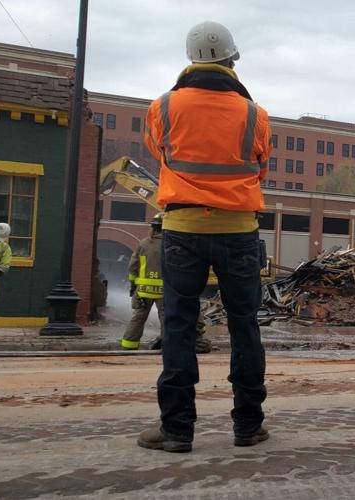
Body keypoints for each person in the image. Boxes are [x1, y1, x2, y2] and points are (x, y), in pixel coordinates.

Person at [136, 21, 271, 453]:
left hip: (182, 230)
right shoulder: (255, 114)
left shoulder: (163, 107)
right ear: (233, 59)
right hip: (238, 231)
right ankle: (248, 425)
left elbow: (161, 152)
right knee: (243, 325)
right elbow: (259, 166)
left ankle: (176, 429)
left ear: (191, 59)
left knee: (177, 327)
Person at [120, 214, 211, 353]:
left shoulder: (143, 244)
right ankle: (166, 346)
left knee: (137, 318)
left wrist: (133, 284)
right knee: (166, 318)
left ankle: (128, 346)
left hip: (143, 291)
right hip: (165, 291)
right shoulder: (173, 245)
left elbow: (133, 267)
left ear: (153, 227)